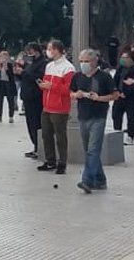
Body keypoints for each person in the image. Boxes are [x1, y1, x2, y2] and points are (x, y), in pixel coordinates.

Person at [71, 49, 120, 193]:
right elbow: (70, 92)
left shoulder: (104, 77)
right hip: (83, 116)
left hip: (98, 116)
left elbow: (115, 95)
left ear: (94, 61)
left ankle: (87, 180)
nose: (83, 64)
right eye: (81, 61)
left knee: (93, 150)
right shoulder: (77, 77)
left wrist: (99, 98)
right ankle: (100, 179)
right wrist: (76, 95)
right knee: (89, 150)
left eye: (86, 61)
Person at [38, 40, 75, 174]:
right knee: (46, 135)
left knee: (60, 136)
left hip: (60, 107)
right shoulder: (49, 66)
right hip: (47, 105)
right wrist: (43, 86)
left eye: (50, 49)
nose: (48, 51)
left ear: (58, 50)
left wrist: (51, 87)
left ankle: (62, 162)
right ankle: (50, 160)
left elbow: (68, 89)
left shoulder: (68, 68)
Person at [16, 43, 47, 159]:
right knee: (30, 124)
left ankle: (40, 147)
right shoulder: (31, 64)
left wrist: (23, 72)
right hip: (27, 96)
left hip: (36, 97)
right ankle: (35, 146)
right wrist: (19, 73)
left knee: (37, 123)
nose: (29, 54)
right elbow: (26, 76)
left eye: (30, 52)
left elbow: (38, 77)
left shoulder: (43, 63)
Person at [112, 50, 134, 144]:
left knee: (131, 118)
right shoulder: (120, 69)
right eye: (122, 57)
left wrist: (126, 93)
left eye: (125, 58)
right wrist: (117, 91)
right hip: (119, 96)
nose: (123, 60)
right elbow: (115, 80)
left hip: (131, 98)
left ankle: (130, 137)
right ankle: (117, 133)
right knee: (116, 115)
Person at [0, 49, 18, 124]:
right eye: (2, 56)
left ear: (7, 57)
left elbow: (11, 76)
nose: (3, 58)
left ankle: (11, 117)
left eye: (5, 57)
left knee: (10, 101)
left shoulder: (10, 65)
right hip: (0, 84)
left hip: (9, 84)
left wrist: (6, 67)